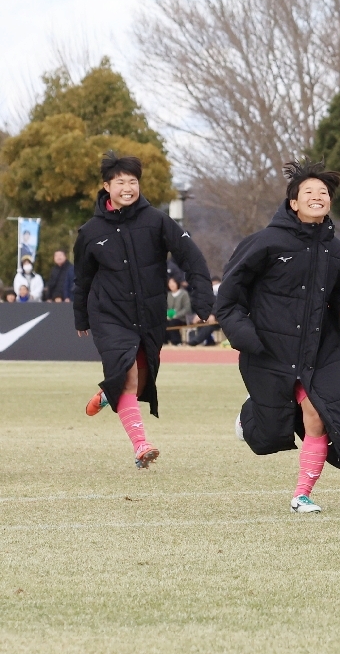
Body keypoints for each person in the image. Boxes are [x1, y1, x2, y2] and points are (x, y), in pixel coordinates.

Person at [216, 161, 340, 514]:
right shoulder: (264, 243)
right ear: (293, 203)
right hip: (270, 348)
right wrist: (244, 335)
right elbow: (229, 296)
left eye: (323, 192)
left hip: (320, 350)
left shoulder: (337, 251)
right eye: (308, 191)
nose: (317, 196)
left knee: (320, 415)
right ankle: (249, 415)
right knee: (267, 433)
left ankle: (302, 495)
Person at [74, 152, 213, 468]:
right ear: (107, 186)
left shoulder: (157, 220)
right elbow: (82, 279)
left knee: (137, 380)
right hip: (108, 314)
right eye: (120, 182)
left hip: (148, 314)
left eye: (132, 181)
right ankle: (141, 445)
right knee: (127, 375)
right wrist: (81, 315)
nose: (127, 188)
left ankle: (109, 393)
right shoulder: (90, 232)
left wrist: (203, 300)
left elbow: (192, 257)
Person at [165, 277, 192, 345]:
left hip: (182, 318)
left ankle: (177, 342)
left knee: (173, 322)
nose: (171, 285)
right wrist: (167, 314)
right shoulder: (168, 295)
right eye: (170, 283)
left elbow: (187, 308)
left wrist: (176, 315)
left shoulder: (184, 293)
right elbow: (165, 307)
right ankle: (165, 341)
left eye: (173, 282)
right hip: (169, 317)